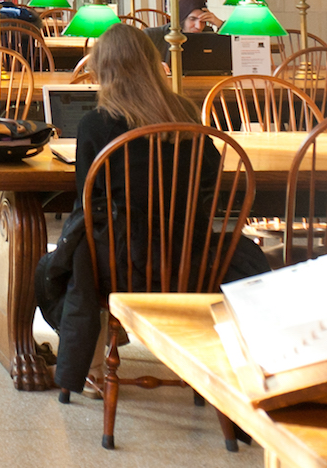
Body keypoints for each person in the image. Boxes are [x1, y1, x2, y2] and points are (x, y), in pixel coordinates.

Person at [37, 25, 269, 399]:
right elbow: (208, 183)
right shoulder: (187, 113)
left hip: (123, 263)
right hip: (190, 259)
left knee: (60, 266)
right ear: (150, 61)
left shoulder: (96, 123)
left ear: (102, 68)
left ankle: (92, 369)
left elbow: (85, 197)